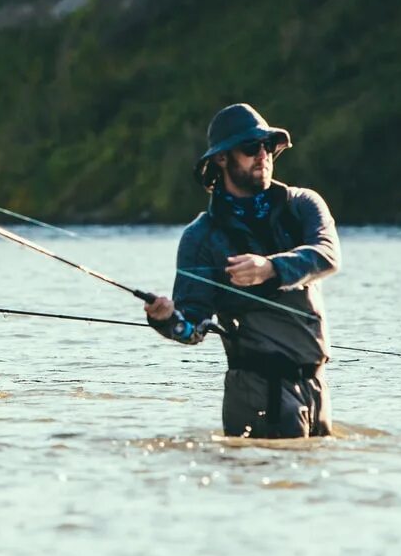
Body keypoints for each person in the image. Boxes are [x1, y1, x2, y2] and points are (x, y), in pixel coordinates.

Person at [144, 103, 340, 438]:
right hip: (257, 391)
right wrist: (165, 319)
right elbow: (192, 327)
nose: (262, 155)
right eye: (251, 148)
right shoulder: (200, 238)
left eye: (267, 146)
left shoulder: (303, 205)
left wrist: (271, 268)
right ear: (221, 159)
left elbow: (326, 256)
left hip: (317, 386)